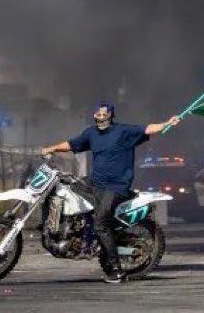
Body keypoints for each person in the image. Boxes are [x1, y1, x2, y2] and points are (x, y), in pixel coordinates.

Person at [41, 102, 180, 283]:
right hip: (95, 183)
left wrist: (167, 123)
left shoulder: (123, 131)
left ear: (110, 115)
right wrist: (51, 148)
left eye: (104, 114)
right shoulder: (91, 133)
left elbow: (147, 129)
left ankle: (116, 270)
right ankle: (81, 235)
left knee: (100, 224)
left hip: (115, 186)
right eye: (98, 114)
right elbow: (71, 144)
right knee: (68, 187)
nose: (100, 117)